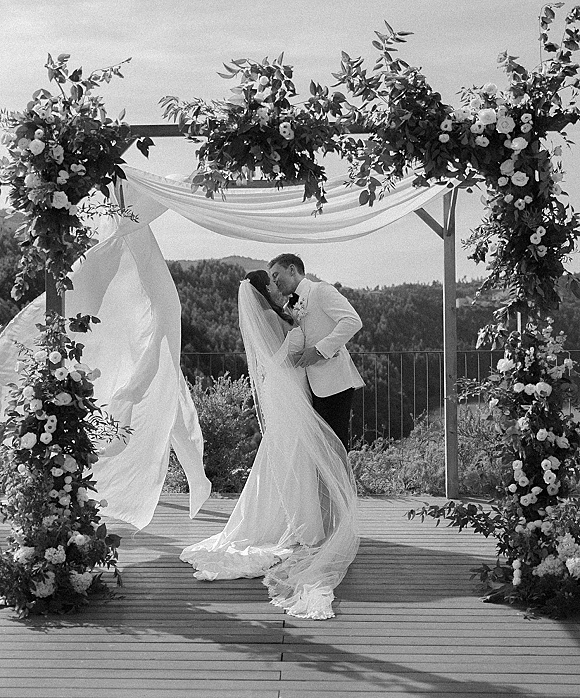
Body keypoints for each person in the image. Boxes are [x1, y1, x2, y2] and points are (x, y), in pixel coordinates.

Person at [180, 270, 359, 620]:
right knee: (297, 454)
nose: (278, 287)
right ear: (265, 290)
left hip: (290, 390)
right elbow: (291, 351)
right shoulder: (271, 317)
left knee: (293, 455)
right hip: (291, 390)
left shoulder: (280, 314)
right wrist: (306, 339)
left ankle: (307, 521)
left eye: (280, 280)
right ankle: (308, 524)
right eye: (273, 283)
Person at [268, 253, 364, 450]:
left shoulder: (320, 290)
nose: (275, 281)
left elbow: (352, 321)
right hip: (307, 386)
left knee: (335, 448)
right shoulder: (291, 304)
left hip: (333, 382)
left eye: (277, 274)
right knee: (318, 450)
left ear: (292, 269)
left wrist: (319, 351)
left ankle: (339, 482)